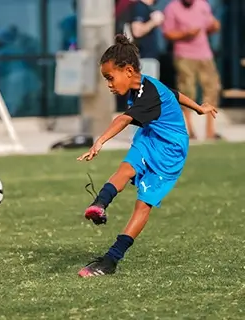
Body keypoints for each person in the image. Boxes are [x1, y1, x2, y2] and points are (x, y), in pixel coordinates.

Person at [76, 34, 217, 278]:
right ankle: (99, 205)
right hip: (150, 137)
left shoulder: (147, 94)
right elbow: (175, 94)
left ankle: (111, 260)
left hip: (170, 150)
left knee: (143, 205)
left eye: (110, 78)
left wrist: (99, 141)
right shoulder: (142, 85)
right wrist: (198, 108)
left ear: (128, 70)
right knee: (125, 169)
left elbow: (123, 119)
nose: (109, 84)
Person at [162, 0, 221, 140]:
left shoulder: (203, 5)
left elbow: (210, 26)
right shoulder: (172, 8)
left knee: (212, 89)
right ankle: (189, 130)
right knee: (187, 92)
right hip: (184, 55)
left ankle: (210, 131)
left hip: (205, 54)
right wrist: (185, 34)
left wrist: (214, 26)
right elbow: (167, 33)